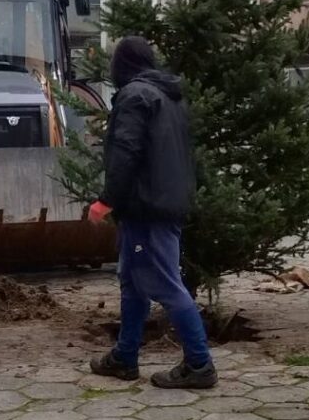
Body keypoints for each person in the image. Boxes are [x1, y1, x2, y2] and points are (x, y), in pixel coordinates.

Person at [87, 36, 216, 389]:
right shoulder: (167, 97)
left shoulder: (135, 96)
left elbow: (125, 151)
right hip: (158, 203)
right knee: (131, 281)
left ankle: (200, 364)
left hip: (148, 208)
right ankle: (125, 358)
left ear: (123, 64)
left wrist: (106, 200)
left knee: (165, 284)